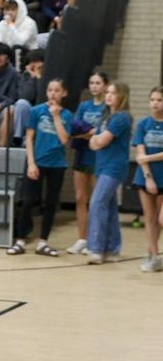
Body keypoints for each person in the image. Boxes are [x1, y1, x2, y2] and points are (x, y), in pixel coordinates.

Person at [9, 79, 71, 257]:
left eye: (57, 90)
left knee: (50, 203)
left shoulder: (66, 114)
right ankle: (20, 241)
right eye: (50, 90)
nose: (53, 93)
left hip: (57, 164)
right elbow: (29, 137)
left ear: (63, 93)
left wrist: (56, 116)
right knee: (28, 201)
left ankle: (43, 242)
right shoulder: (36, 111)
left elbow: (64, 140)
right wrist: (31, 163)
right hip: (37, 162)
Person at [86, 83, 132, 264]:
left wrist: (97, 139)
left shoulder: (121, 117)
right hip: (102, 166)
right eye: (108, 92)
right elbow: (93, 143)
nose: (109, 96)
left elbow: (101, 141)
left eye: (113, 93)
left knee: (97, 204)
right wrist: (96, 139)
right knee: (109, 207)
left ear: (122, 96)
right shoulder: (106, 116)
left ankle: (96, 249)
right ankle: (112, 249)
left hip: (113, 168)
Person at [67, 71, 107, 255]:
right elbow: (74, 128)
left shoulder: (108, 107)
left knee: (97, 201)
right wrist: (91, 131)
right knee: (80, 198)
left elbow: (105, 132)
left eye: (98, 83)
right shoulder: (84, 106)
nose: (94, 86)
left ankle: (96, 239)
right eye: (91, 83)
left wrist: (90, 132)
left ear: (105, 85)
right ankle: (82, 239)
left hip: (99, 157)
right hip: (82, 155)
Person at [133, 86, 163, 272]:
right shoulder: (143, 124)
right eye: (152, 99)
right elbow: (140, 152)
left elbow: (146, 156)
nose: (155, 103)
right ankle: (154, 254)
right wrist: (148, 176)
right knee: (149, 216)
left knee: (159, 219)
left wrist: (148, 159)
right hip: (145, 176)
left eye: (159, 100)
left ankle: (153, 252)